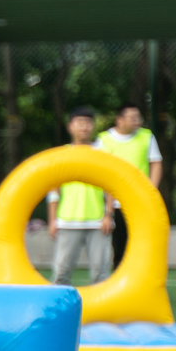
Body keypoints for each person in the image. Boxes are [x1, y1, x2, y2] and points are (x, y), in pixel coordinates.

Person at [96, 103, 162, 270]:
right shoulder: (104, 139)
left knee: (142, 244)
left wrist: (151, 191)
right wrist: (108, 209)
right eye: (132, 118)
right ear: (119, 120)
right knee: (119, 247)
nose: (137, 121)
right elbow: (101, 174)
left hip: (140, 201)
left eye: (138, 118)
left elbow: (156, 163)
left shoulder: (147, 136)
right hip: (116, 203)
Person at [47, 108, 108, 286]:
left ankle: (100, 314)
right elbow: (53, 189)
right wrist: (52, 220)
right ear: (70, 127)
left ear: (93, 127)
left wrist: (108, 214)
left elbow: (111, 186)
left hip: (97, 221)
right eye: (79, 122)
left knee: (100, 273)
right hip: (68, 220)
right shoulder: (61, 154)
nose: (84, 126)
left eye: (88, 122)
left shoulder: (101, 153)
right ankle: (60, 312)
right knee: (61, 273)